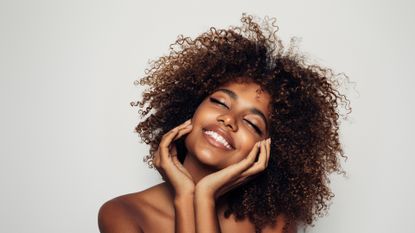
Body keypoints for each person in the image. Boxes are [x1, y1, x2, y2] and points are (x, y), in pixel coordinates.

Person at [98, 14, 350, 233]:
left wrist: (204, 197)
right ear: (192, 108)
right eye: (219, 102)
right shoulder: (124, 213)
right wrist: (187, 196)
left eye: (252, 124)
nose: (229, 120)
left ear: (267, 148)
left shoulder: (273, 224)